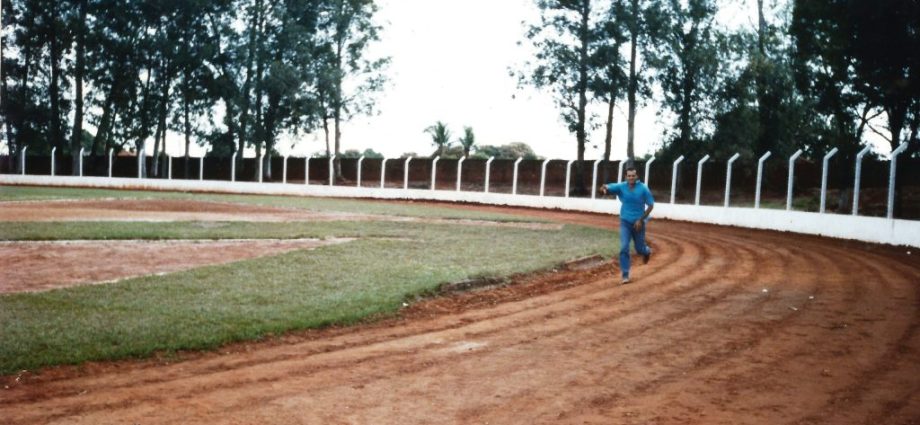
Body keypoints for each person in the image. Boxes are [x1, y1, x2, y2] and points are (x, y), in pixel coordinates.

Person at [599, 165, 654, 284]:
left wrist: (641, 219)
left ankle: (647, 251)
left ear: (637, 176)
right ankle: (625, 275)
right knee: (624, 247)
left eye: (633, 176)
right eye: (629, 176)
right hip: (625, 222)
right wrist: (603, 189)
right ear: (626, 177)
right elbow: (605, 187)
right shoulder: (621, 186)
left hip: (638, 223)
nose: (631, 178)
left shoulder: (643, 188)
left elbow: (651, 205)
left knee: (639, 249)